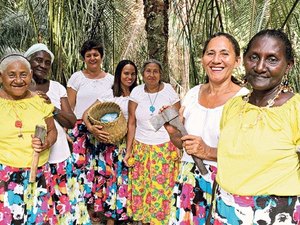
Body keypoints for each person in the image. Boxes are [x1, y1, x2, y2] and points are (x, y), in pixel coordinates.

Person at [213, 29, 300, 224]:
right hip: (226, 207)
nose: (260, 67)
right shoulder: (232, 106)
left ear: (288, 66)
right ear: (244, 60)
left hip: (274, 212)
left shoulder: (296, 108)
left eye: (272, 59)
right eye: (254, 57)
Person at [164, 32, 249, 225]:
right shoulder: (193, 94)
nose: (216, 60)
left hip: (225, 184)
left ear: (237, 60)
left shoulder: (245, 100)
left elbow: (248, 154)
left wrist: (208, 152)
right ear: (202, 59)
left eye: (224, 54)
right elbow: (183, 144)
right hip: (189, 182)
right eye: (210, 53)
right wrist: (173, 132)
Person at [24, 43, 91, 224]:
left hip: (60, 157)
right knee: (40, 210)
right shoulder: (19, 88)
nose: (43, 65)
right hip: (32, 160)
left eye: (47, 62)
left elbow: (70, 121)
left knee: (67, 208)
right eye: (38, 60)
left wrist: (51, 107)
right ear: (27, 61)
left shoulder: (57, 88)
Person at [0, 53, 57, 224]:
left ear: (31, 75)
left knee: (36, 219)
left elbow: (53, 130)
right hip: (5, 175)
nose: (18, 80)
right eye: (12, 75)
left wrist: (46, 142)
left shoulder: (40, 101)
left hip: (37, 173)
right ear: (1, 77)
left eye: (23, 74)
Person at [123, 59, 181, 225]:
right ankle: (145, 220)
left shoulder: (169, 91)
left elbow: (178, 119)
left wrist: (179, 146)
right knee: (143, 187)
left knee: (161, 188)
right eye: (148, 71)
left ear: (160, 74)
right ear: (143, 74)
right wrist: (129, 150)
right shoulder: (137, 92)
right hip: (141, 147)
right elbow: (132, 122)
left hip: (164, 147)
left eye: (155, 71)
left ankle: (160, 220)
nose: (152, 74)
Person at [82, 59, 138, 225]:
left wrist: (129, 149)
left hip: (129, 144)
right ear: (119, 74)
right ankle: (110, 219)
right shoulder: (109, 94)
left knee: (126, 184)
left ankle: (122, 217)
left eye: (133, 74)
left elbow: (134, 124)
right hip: (109, 148)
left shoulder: (138, 95)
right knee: (110, 183)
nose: (130, 77)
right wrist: (92, 129)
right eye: (126, 73)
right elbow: (86, 114)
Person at [67, 39, 114, 221]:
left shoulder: (111, 79)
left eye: (96, 54)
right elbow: (69, 106)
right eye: (88, 55)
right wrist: (67, 131)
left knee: (101, 169)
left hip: (104, 129)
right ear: (84, 58)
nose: (92, 58)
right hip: (80, 128)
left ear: (101, 57)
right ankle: (83, 208)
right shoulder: (76, 77)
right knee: (81, 167)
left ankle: (99, 208)